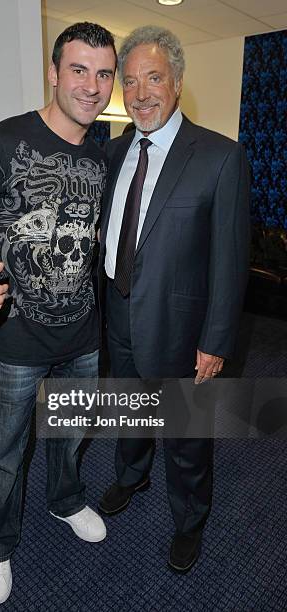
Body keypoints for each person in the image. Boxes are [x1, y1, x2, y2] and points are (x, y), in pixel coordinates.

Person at [0, 22, 116, 605]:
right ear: (54, 72)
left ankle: (66, 502)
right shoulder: (2, 141)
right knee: (4, 455)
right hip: (14, 340)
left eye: (103, 72)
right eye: (79, 69)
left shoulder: (102, 151)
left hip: (83, 336)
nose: (92, 85)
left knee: (71, 437)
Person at [97, 26, 250, 573]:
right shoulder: (113, 153)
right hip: (118, 316)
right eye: (131, 81)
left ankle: (189, 520)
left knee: (185, 435)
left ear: (178, 83)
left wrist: (216, 342)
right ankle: (131, 475)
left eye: (153, 78)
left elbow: (230, 263)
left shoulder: (219, 157)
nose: (140, 93)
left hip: (183, 331)